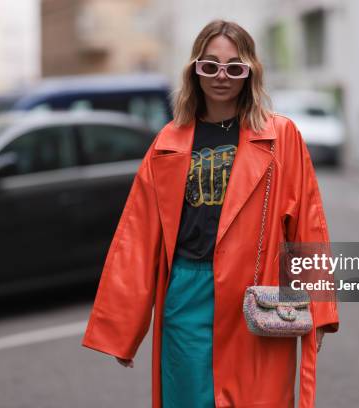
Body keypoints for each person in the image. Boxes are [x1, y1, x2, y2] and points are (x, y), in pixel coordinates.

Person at [82, 19, 339, 408]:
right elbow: (137, 238)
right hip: (187, 291)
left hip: (258, 294)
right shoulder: (167, 144)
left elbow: (308, 224)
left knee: (258, 400)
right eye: (210, 66)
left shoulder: (281, 137)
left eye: (235, 67)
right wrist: (124, 327)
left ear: (249, 72)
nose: (222, 76)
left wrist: (319, 305)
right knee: (189, 398)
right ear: (194, 70)